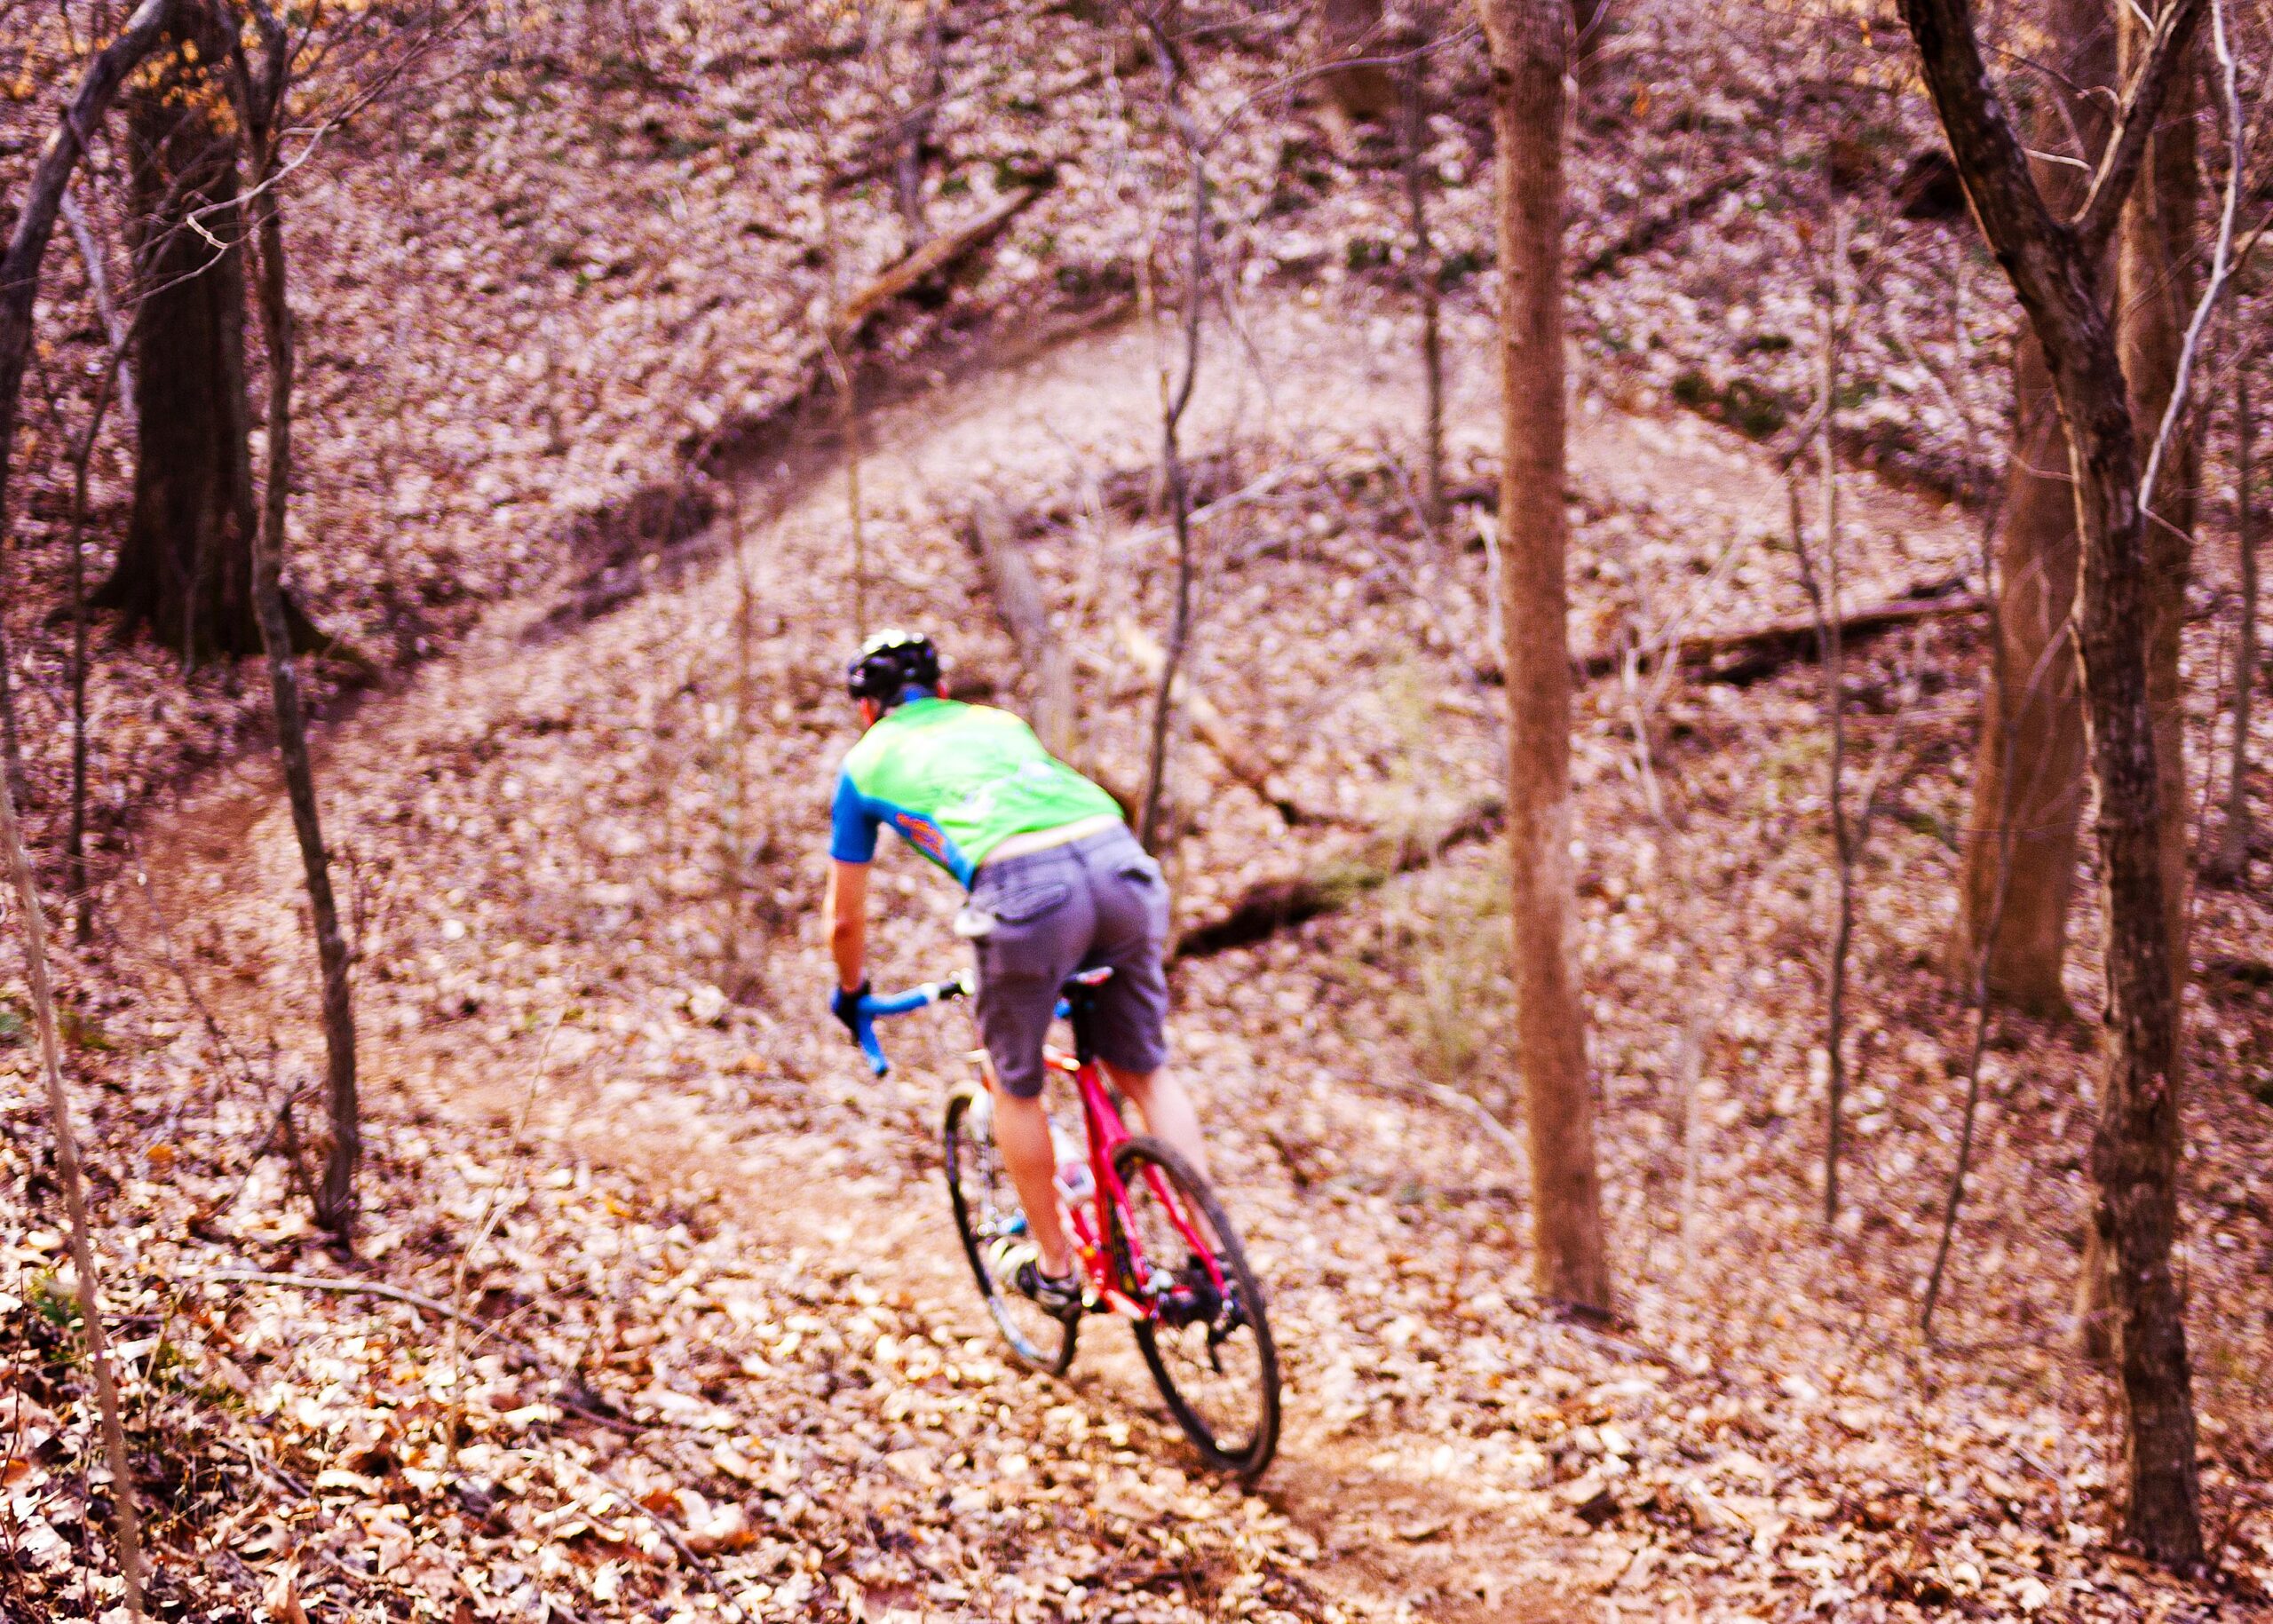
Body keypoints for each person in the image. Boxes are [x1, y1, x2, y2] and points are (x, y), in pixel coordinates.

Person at [821, 629, 1210, 1318]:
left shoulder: (864, 762)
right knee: (1145, 1072)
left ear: (866, 709)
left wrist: (852, 993)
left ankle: (1057, 1270)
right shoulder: (996, 721)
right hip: (1121, 861)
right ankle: (1212, 1265)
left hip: (1026, 891)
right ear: (942, 689)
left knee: (1013, 1080)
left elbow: (845, 920)